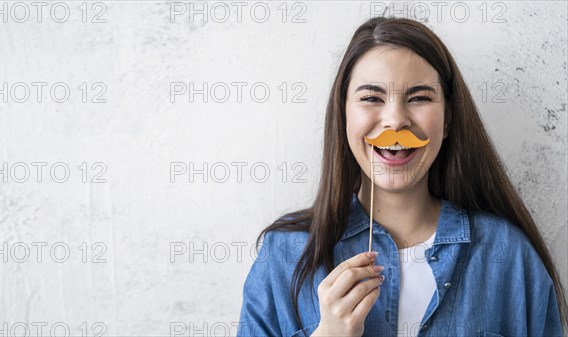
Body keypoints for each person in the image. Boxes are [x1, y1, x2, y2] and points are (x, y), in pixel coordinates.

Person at [236, 16, 566, 337]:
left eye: (419, 98)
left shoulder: (508, 255)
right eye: (371, 98)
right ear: (343, 116)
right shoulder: (284, 255)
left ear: (448, 118)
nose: (395, 120)